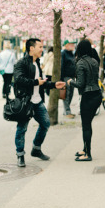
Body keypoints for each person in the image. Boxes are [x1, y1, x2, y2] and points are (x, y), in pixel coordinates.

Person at [13, 38, 66, 167]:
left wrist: (54, 85)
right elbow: (19, 79)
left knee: (46, 123)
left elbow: (40, 83)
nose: (42, 49)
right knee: (22, 129)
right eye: (40, 47)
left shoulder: (37, 63)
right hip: (25, 102)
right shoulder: (21, 63)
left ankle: (36, 149)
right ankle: (20, 155)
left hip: (37, 101)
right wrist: (36, 82)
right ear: (31, 48)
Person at [67, 40, 102, 161]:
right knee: (88, 124)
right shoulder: (94, 61)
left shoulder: (80, 63)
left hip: (88, 96)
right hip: (97, 95)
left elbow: (80, 84)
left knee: (86, 126)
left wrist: (70, 82)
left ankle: (88, 154)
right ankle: (85, 149)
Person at [61, 40, 77, 119]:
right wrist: (61, 79)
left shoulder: (72, 53)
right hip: (66, 77)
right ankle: (67, 112)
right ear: (66, 45)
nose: (73, 46)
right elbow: (61, 66)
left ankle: (66, 111)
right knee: (66, 95)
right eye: (71, 44)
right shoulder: (63, 53)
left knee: (71, 94)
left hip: (72, 77)